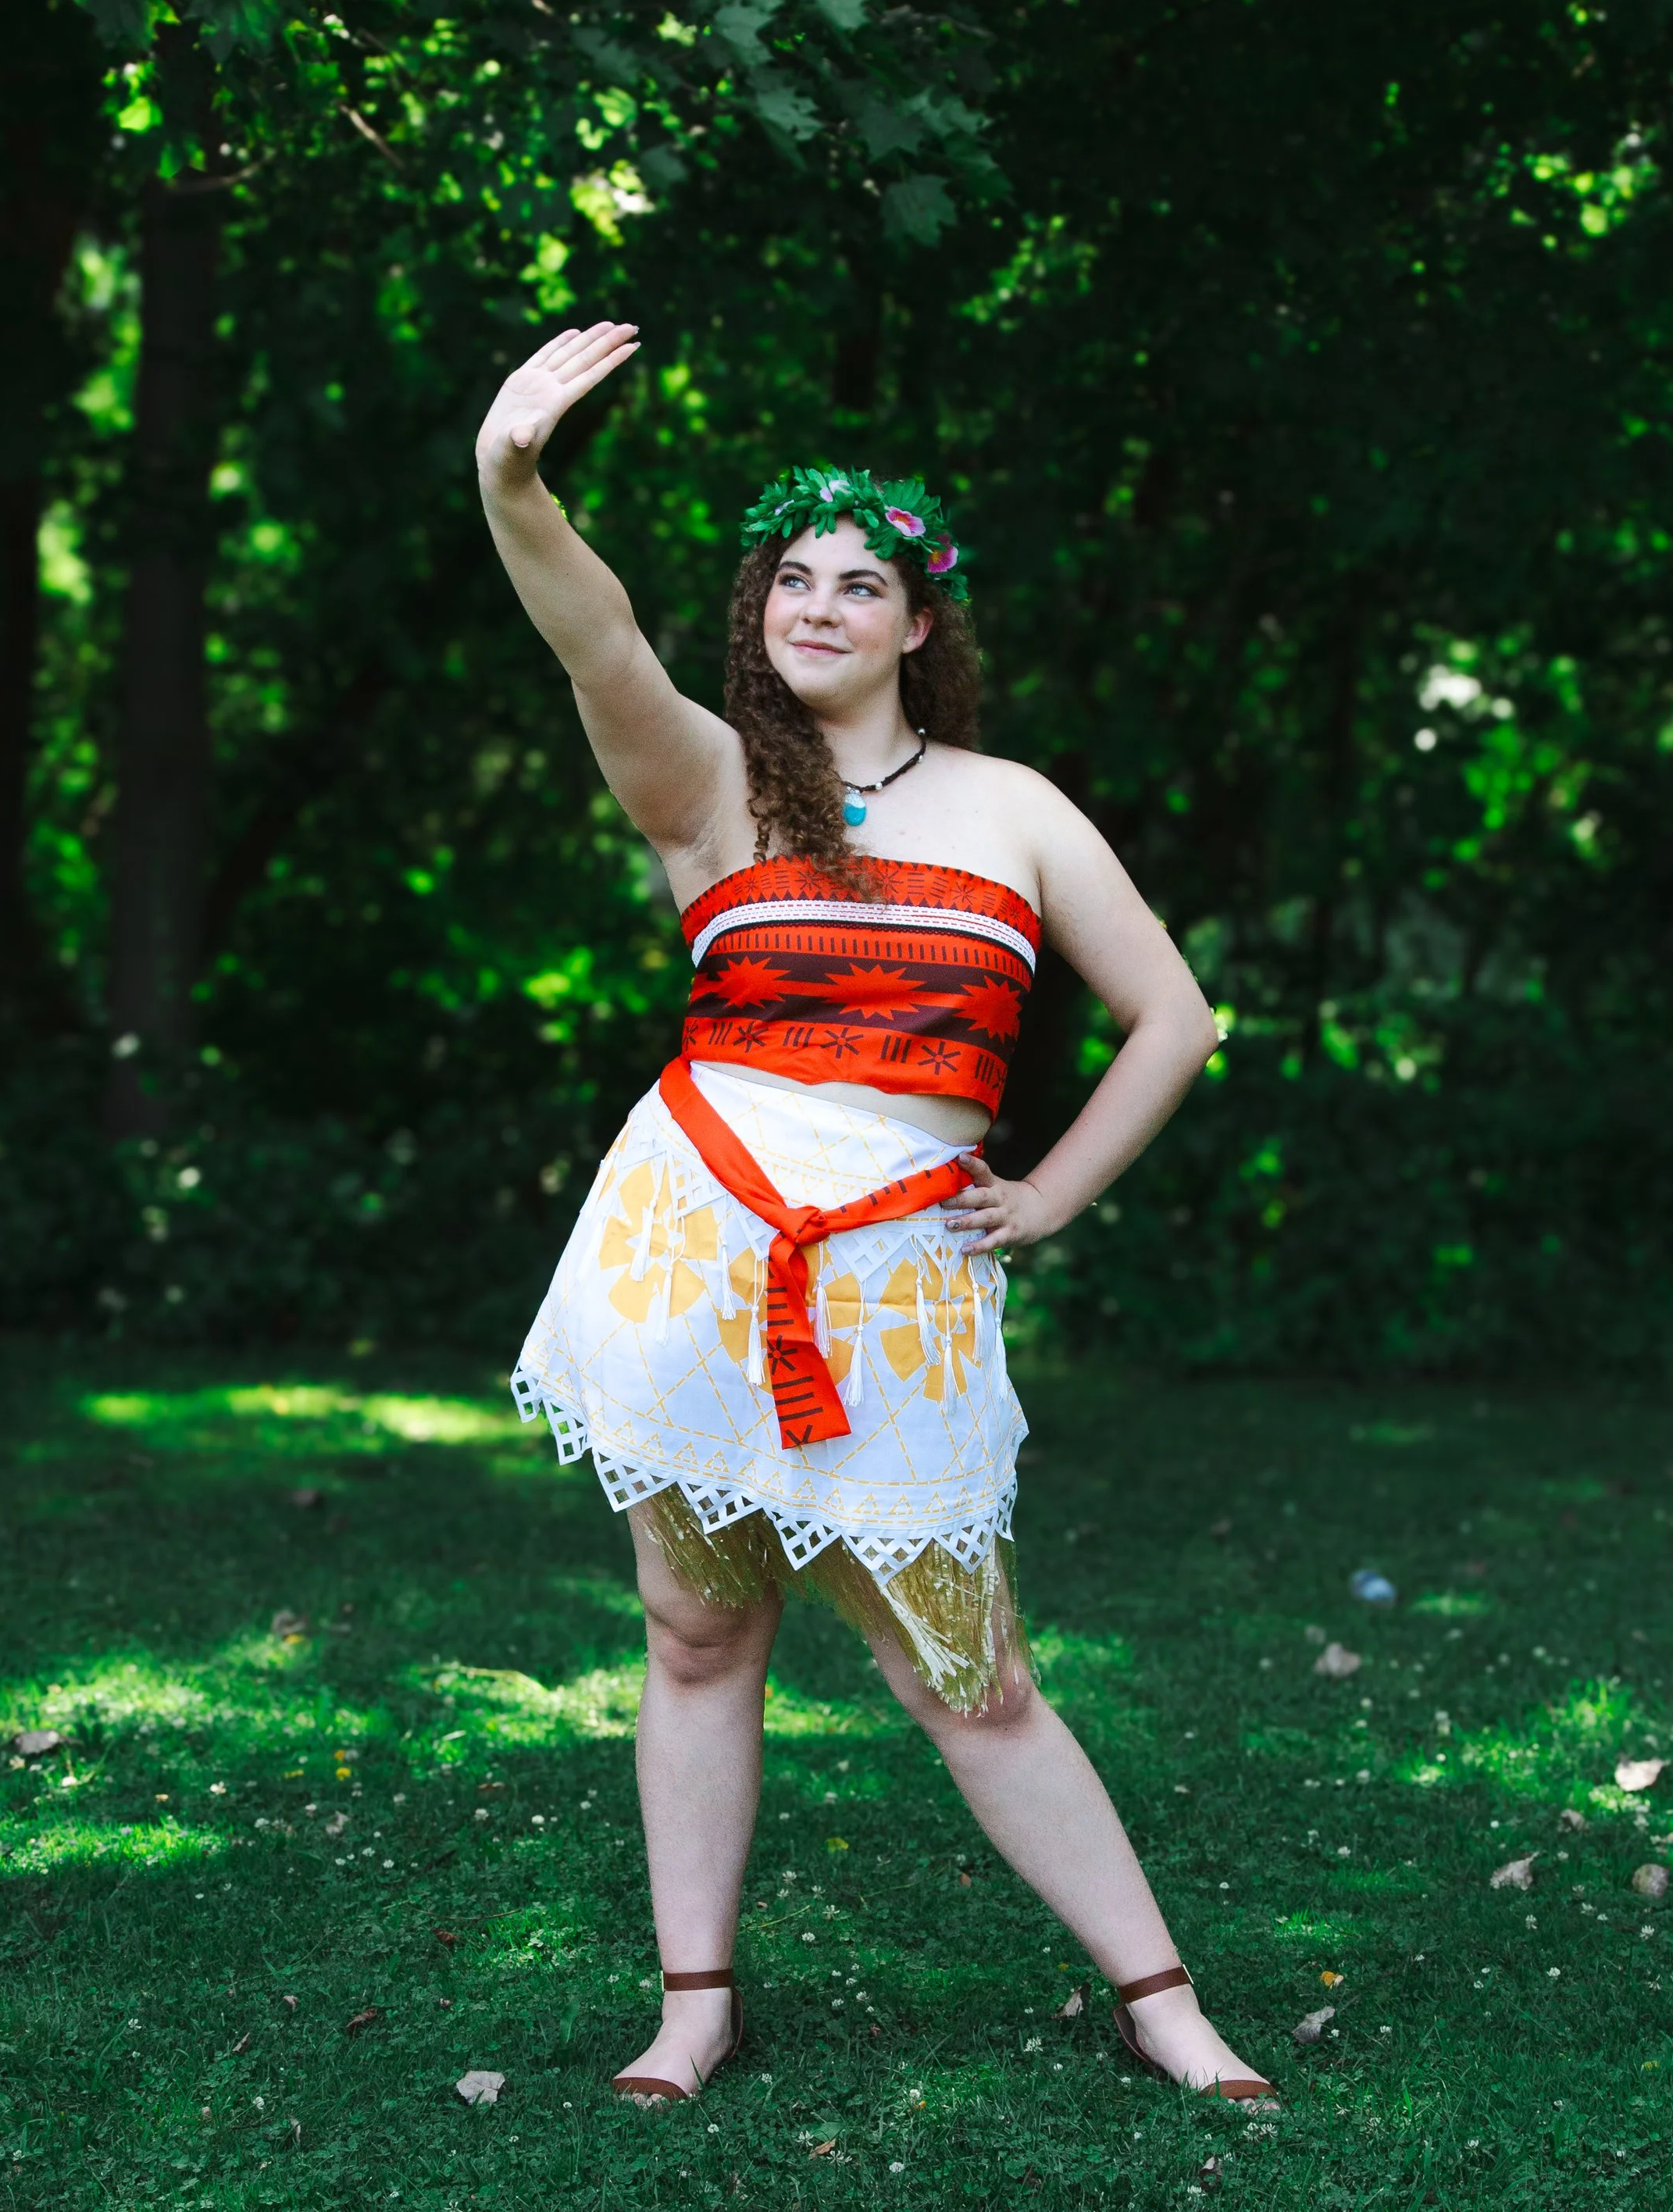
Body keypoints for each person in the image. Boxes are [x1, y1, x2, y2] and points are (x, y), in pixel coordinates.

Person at [476, 321, 1275, 2109]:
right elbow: (593, 636)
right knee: (695, 1635)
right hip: (692, 1251)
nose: (817, 604)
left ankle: (1161, 2003)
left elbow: (1175, 1018)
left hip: (893, 1289)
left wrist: (1051, 1193)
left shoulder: (1016, 814)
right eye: (789, 579)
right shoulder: (706, 787)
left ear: (921, 622)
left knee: (967, 1672)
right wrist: (511, 481)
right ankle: (693, 2007)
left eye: (861, 582)